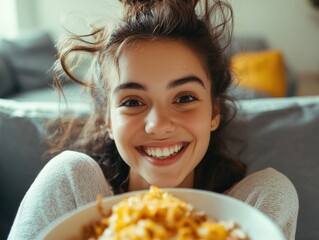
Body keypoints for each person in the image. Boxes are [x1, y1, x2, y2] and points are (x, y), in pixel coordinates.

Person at [8, 0, 298, 239]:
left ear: (214, 112)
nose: (158, 125)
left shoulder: (254, 210)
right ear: (108, 121)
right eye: (133, 102)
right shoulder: (72, 186)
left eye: (184, 98)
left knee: (275, 185)